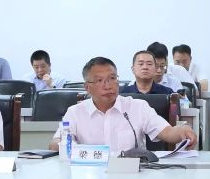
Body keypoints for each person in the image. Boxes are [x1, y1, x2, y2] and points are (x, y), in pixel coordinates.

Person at [49, 57, 196, 154]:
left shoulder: (137, 107)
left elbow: (167, 132)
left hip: (131, 178)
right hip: (89, 178)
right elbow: (55, 143)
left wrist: (182, 131)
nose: (108, 85)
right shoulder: (75, 112)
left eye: (112, 78)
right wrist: (66, 145)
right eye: (99, 81)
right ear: (87, 87)